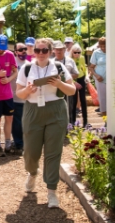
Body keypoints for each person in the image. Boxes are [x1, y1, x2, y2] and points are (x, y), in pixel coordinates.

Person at [15, 38, 76, 208]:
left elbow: (71, 90)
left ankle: (51, 191)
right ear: (33, 51)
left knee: (53, 152)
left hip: (56, 110)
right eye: (38, 50)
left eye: (44, 50)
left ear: (50, 51)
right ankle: (32, 172)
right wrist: (27, 90)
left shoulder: (58, 67)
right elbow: (19, 94)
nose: (41, 53)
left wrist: (59, 83)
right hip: (33, 110)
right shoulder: (27, 68)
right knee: (30, 152)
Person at [10, 42, 28, 154]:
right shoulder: (12, 64)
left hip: (27, 98)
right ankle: (19, 144)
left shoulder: (30, 64)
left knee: (26, 122)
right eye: (21, 49)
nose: (24, 51)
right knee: (16, 123)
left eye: (25, 49)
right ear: (15, 52)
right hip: (14, 97)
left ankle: (26, 143)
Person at [52, 40, 79, 118]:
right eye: (57, 49)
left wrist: (66, 77)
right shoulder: (51, 62)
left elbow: (76, 74)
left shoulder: (70, 60)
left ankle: (71, 125)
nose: (59, 51)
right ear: (54, 50)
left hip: (68, 87)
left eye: (60, 49)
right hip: (55, 89)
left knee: (70, 107)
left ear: (64, 50)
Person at [70, 44, 89, 127]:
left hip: (81, 78)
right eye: (75, 52)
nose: (77, 54)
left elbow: (84, 68)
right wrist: (73, 82)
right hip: (73, 80)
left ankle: (85, 122)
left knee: (83, 100)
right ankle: (73, 121)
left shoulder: (82, 58)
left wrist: (87, 76)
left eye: (79, 52)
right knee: (73, 101)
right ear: (72, 52)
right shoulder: (69, 59)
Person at [89, 38, 107, 115]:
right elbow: (91, 67)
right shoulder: (96, 53)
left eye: (105, 46)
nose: (103, 48)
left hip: (111, 79)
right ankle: (106, 120)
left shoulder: (112, 51)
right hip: (100, 80)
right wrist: (96, 76)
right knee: (102, 100)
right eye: (101, 46)